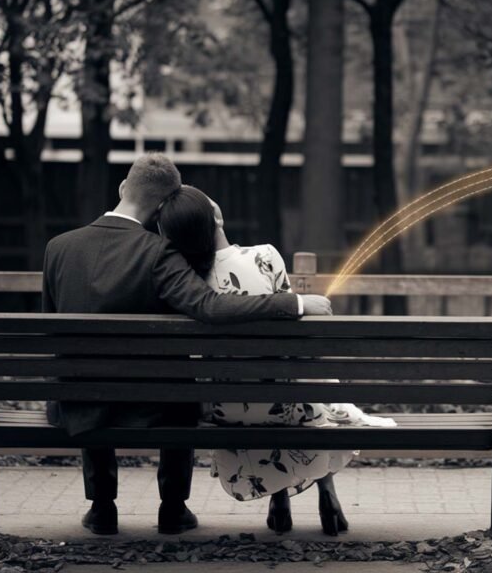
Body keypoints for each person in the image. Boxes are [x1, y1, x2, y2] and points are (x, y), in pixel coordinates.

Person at [42, 154, 333, 536]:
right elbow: (210, 306)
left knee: (87, 371)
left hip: (76, 407)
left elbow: (53, 333)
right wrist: (294, 302)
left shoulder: (58, 248)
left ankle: (101, 507)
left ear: (122, 188)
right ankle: (173, 508)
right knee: (176, 389)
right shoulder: (158, 253)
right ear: (164, 206)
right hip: (150, 408)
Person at [157, 184, 395, 536]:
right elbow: (295, 338)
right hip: (288, 406)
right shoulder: (264, 257)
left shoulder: (186, 283)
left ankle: (279, 494)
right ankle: (326, 490)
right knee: (308, 387)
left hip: (224, 413)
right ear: (217, 217)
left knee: (268, 389)